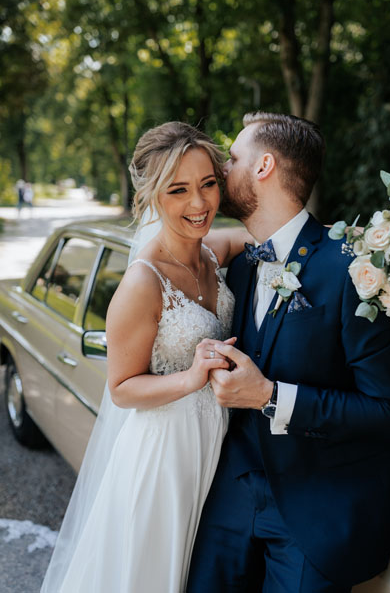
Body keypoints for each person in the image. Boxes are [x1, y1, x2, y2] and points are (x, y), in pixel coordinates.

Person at [187, 112, 390, 592]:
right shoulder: (237, 267)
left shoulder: (355, 273)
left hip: (320, 507)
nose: (222, 169)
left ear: (264, 167)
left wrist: (270, 396)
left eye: (233, 158)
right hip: (231, 494)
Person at [40, 122, 250, 593]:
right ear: (152, 196)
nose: (199, 204)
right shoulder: (141, 284)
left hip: (214, 443)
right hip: (164, 454)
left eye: (208, 184)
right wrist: (191, 377)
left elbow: (249, 238)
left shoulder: (212, 252)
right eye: (178, 190)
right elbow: (120, 388)